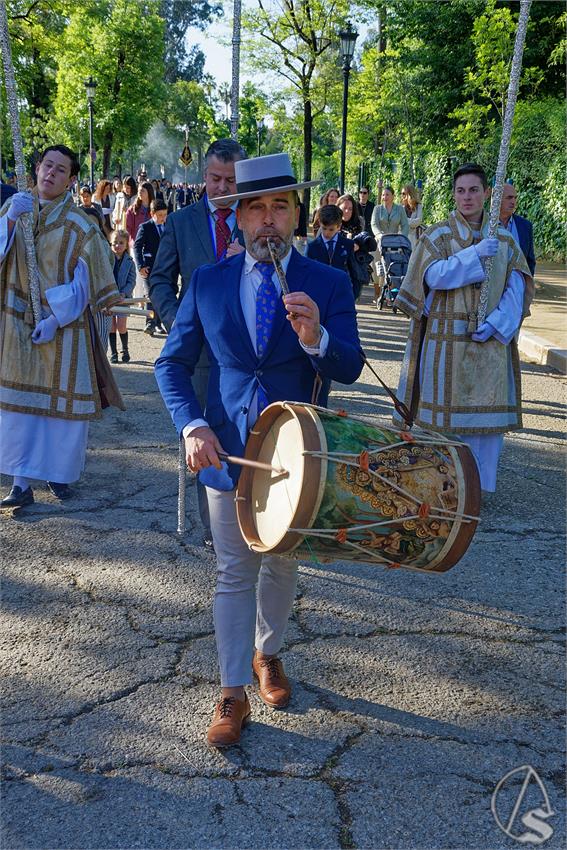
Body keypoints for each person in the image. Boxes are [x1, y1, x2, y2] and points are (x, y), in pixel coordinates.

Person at [154, 152, 364, 747]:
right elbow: (171, 365)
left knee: (281, 561)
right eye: (257, 209)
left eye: (280, 207)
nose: (268, 220)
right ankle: (230, 690)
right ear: (239, 217)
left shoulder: (327, 281)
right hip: (224, 450)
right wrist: (192, 426)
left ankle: (267, 654)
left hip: (296, 453)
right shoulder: (209, 281)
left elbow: (350, 366)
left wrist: (317, 336)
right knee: (232, 568)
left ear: (296, 214)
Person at [394, 163, 533, 493]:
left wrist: (498, 325)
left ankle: (479, 489)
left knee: (484, 427)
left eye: (473, 190)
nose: (467, 197)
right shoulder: (439, 234)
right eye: (460, 190)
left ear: (487, 194)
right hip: (445, 344)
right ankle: (441, 487)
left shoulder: (504, 240)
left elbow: (517, 288)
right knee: (443, 423)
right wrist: (473, 257)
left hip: (489, 344)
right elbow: (430, 277)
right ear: (453, 194)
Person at [0, 144, 123, 509]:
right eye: (46, 166)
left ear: (71, 180)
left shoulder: (81, 225)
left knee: (61, 414)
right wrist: (7, 221)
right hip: (14, 326)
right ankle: (20, 483)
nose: (50, 173)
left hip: (63, 330)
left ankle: (59, 474)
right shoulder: (14, 210)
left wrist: (55, 319)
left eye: (59, 170)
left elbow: (84, 285)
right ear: (37, 169)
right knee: (19, 410)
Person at [150, 138, 247, 550]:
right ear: (203, 176)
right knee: (207, 438)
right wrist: (178, 325)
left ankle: (253, 520)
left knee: (247, 435)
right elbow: (159, 279)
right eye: (214, 178)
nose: (222, 188)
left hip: (249, 351)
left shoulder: (254, 219)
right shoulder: (181, 222)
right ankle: (215, 531)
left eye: (230, 180)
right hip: (201, 354)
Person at [133, 198, 168, 336]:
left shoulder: (168, 225)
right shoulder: (145, 227)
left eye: (165, 215)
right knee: (151, 295)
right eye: (160, 215)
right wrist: (141, 265)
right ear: (152, 213)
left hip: (164, 267)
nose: (163, 218)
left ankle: (158, 323)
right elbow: (137, 246)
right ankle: (150, 323)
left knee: (161, 294)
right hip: (149, 267)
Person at [371, 186, 410, 303]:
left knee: (393, 267)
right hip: (380, 242)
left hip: (395, 243)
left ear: (393, 196)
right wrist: (379, 235)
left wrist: (401, 238)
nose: (384, 197)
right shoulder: (377, 209)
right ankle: (378, 293)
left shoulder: (400, 209)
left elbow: (405, 225)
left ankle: (390, 294)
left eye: (387, 194)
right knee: (378, 266)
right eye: (383, 195)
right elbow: (374, 224)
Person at [108, 229, 136, 364]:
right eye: (114, 243)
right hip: (109, 297)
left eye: (121, 243)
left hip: (123, 299)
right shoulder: (107, 259)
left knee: (121, 326)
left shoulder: (130, 262)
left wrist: (124, 292)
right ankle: (113, 352)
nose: (117, 246)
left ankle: (125, 349)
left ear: (126, 245)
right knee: (111, 326)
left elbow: (132, 281)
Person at [499, 182, 535, 276]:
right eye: (509, 198)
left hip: (518, 287)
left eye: (515, 198)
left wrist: (526, 287)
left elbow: (530, 261)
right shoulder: (485, 222)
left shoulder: (525, 226)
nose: (513, 202)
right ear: (497, 198)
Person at [400, 184, 423, 249]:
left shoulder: (418, 206)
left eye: (404, 193)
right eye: (401, 193)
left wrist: (405, 220)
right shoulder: (400, 207)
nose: (402, 195)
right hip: (401, 237)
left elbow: (418, 221)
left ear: (410, 193)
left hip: (413, 238)